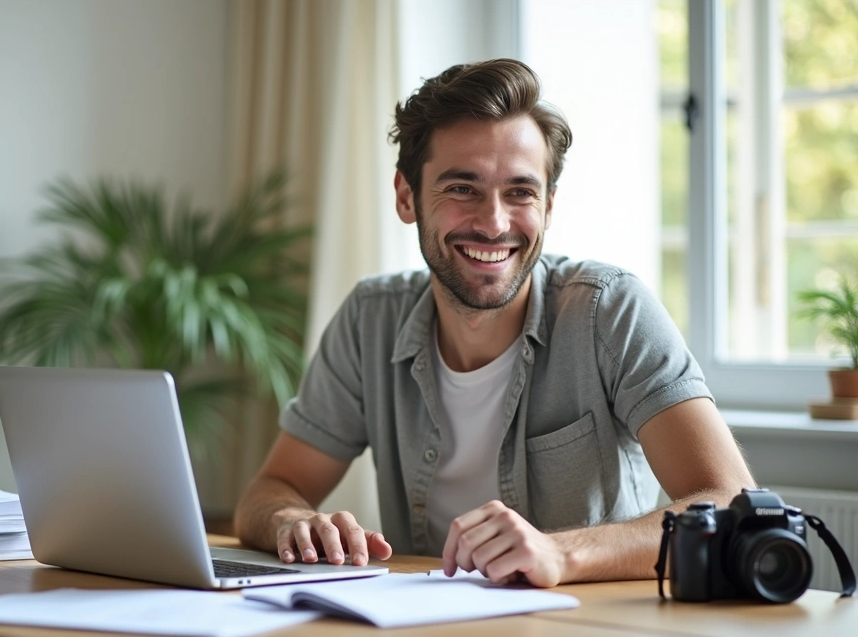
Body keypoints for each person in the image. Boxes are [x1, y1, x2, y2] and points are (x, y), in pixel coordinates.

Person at [232, 58, 755, 587]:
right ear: (407, 196)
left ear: (549, 206)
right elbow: (270, 489)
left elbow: (731, 503)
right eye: (463, 189)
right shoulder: (371, 318)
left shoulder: (610, 311)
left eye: (521, 192)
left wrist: (560, 554)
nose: (494, 223)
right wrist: (292, 521)